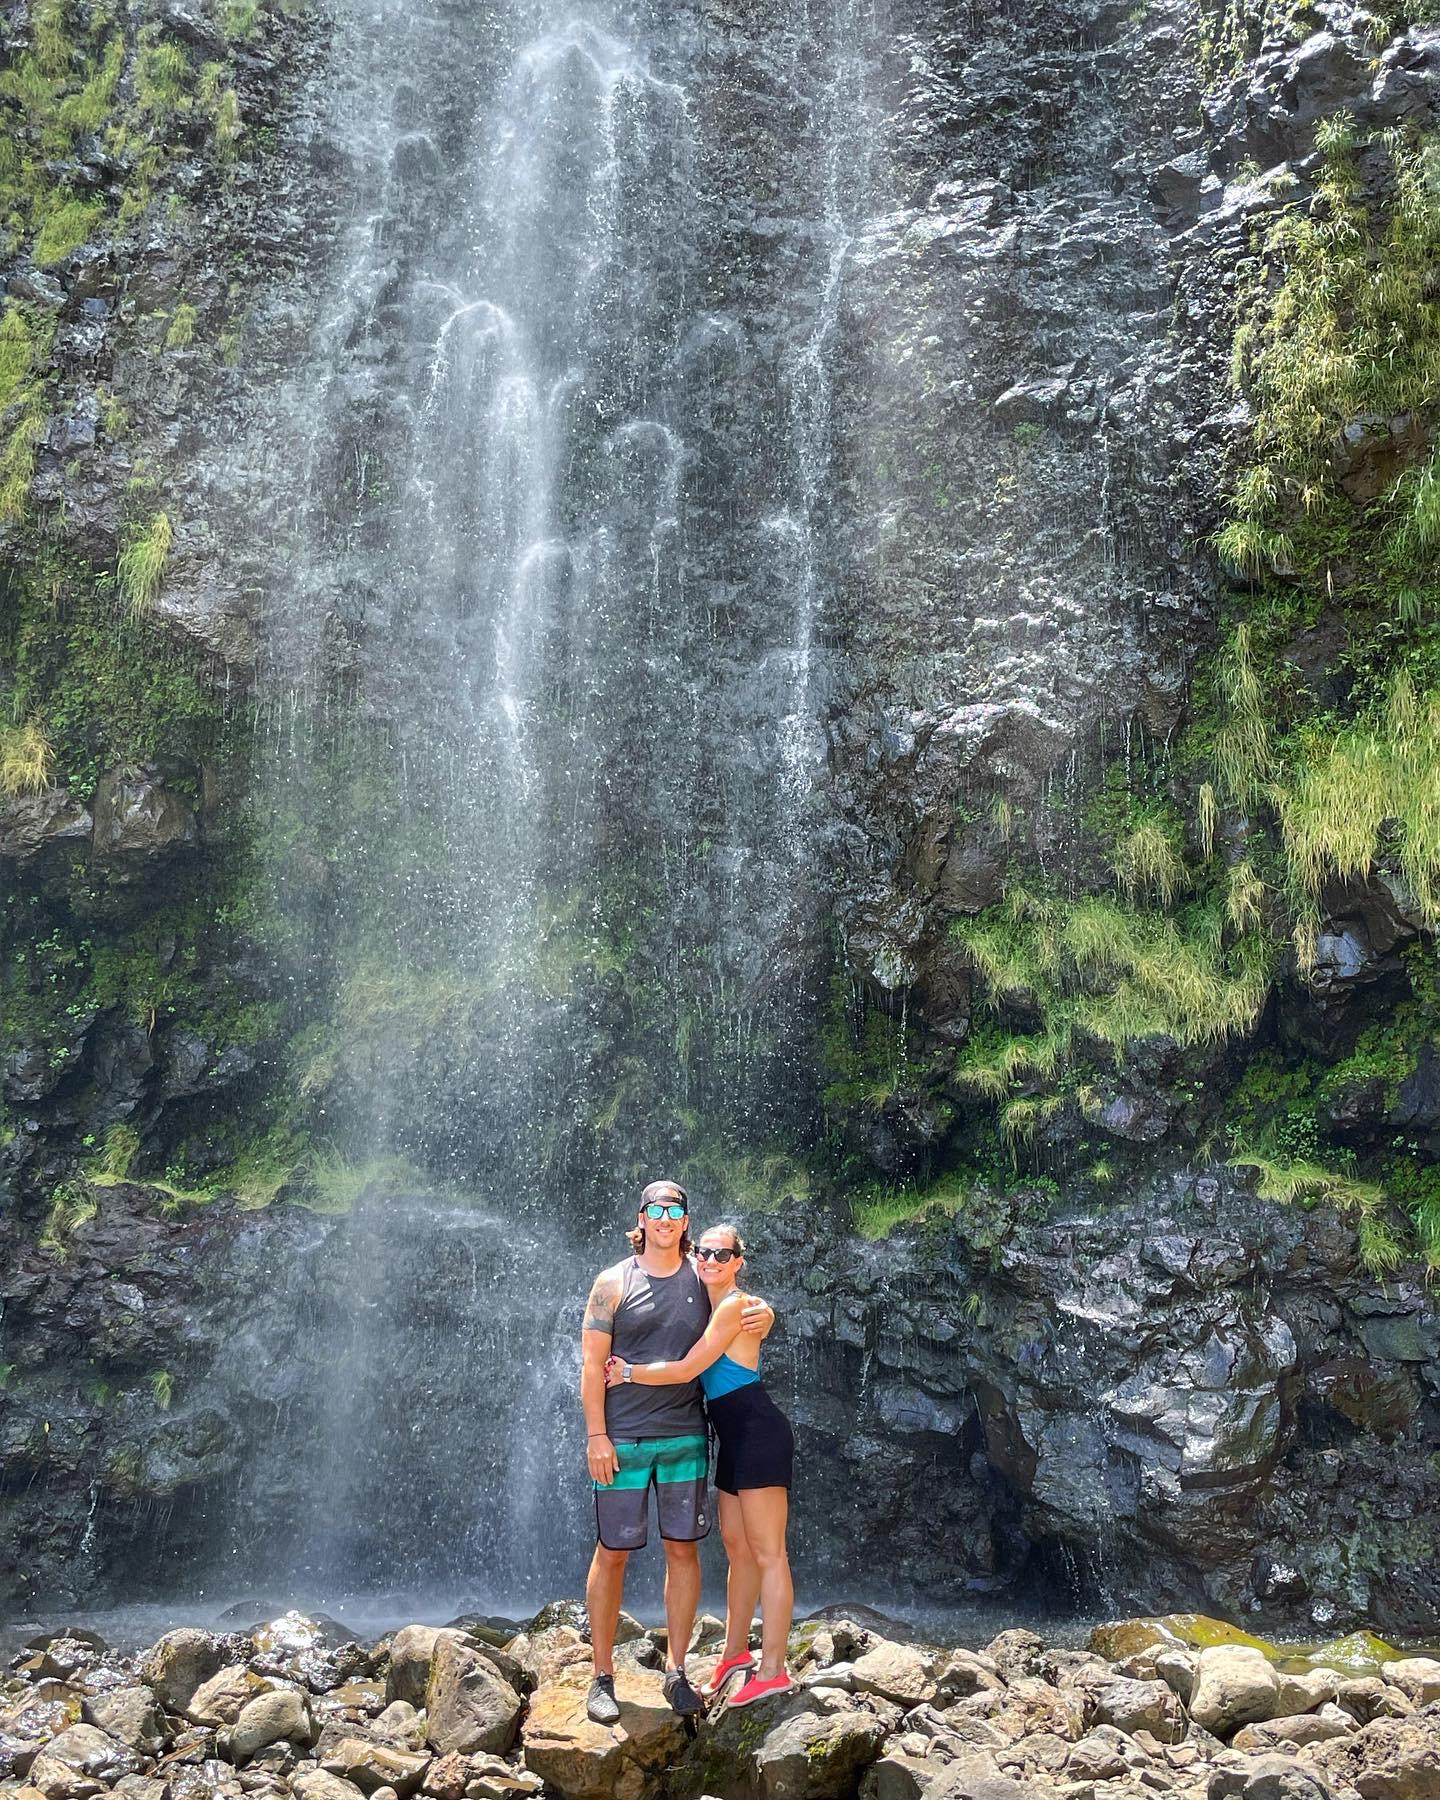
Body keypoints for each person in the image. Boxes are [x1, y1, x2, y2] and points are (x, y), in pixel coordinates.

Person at [580, 1180, 773, 1726]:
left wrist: (767, 1313)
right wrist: (596, 1436)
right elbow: (592, 1365)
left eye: (675, 1210)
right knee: (611, 1551)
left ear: (686, 1221)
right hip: (623, 1438)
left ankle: (677, 1669)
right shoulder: (612, 1282)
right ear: (641, 1218)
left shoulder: (702, 1273)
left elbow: (740, 1304)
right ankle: (602, 1676)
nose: (665, 1218)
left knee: (683, 1551)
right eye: (656, 1209)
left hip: (686, 1435)